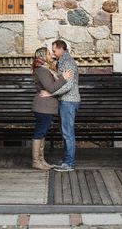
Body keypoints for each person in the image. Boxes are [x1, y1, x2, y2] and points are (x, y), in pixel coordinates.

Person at [31, 47, 73, 170]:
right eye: (49, 53)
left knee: (42, 132)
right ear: (43, 55)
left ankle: (41, 160)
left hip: (46, 107)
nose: (51, 55)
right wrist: (63, 78)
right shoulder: (42, 70)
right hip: (43, 107)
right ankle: (36, 161)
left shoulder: (45, 69)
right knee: (40, 132)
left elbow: (50, 88)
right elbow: (51, 87)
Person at [41, 39, 80, 172]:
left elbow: (68, 85)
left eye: (54, 50)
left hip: (69, 101)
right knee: (65, 132)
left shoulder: (68, 62)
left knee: (68, 132)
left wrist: (51, 94)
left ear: (61, 48)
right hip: (66, 101)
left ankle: (69, 164)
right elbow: (61, 79)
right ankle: (66, 160)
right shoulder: (62, 60)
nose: (53, 53)